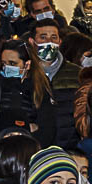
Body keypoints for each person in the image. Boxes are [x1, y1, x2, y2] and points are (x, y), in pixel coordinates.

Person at [0, 38, 56, 142]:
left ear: (27, 65)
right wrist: (27, 127)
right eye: (3, 63)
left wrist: (4, 125)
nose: (7, 67)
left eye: (12, 63)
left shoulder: (40, 88)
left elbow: (47, 129)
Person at [28, 17, 82, 147]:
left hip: (69, 145)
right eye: (43, 37)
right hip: (35, 147)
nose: (49, 42)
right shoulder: (26, 73)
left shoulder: (77, 73)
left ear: (60, 42)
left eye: (54, 38)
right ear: (32, 42)